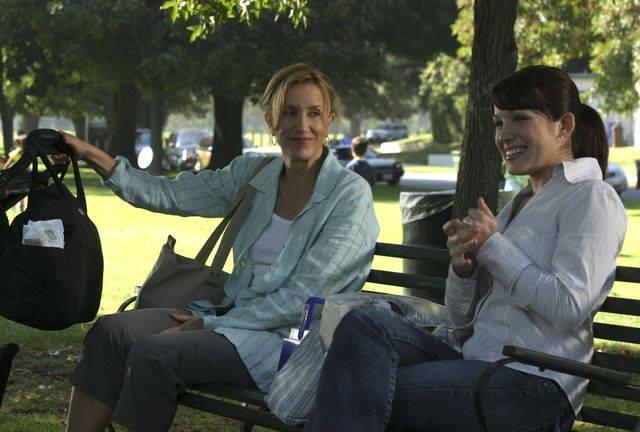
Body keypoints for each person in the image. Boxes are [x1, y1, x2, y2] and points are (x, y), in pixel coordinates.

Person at [305, 65, 627, 432]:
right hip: (476, 360)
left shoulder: (591, 197)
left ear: (564, 126)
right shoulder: (519, 204)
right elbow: (461, 321)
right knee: (362, 327)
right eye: (499, 123)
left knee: (359, 389)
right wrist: (464, 268)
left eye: (520, 118)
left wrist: (494, 247)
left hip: (534, 381)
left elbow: (570, 306)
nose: (504, 134)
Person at [62, 63, 379, 432]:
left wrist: (212, 323)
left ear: (329, 120)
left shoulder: (349, 195)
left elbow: (303, 300)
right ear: (271, 121)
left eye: (314, 113)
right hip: (229, 319)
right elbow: (172, 194)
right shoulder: (254, 174)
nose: (302, 126)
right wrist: (89, 153)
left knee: (155, 353)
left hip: (290, 343)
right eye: (290, 113)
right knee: (110, 334)